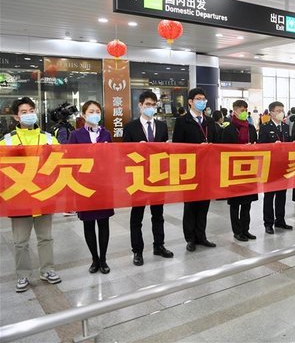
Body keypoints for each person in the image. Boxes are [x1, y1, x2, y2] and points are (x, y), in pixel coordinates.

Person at [1, 97, 61, 292]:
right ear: (17, 117)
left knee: (45, 238)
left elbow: (61, 163)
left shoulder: (49, 138)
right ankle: (23, 275)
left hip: (43, 196)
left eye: (31, 110)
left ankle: (48, 270)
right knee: (20, 241)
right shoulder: (6, 140)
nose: (28, 114)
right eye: (23, 112)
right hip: (19, 198)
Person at [123, 91, 174, 266]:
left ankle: (159, 245)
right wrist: (138, 149)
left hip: (157, 176)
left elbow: (165, 151)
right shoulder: (130, 127)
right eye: (147, 105)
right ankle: (137, 251)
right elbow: (124, 154)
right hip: (138, 178)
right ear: (140, 106)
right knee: (136, 216)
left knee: (158, 214)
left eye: (153, 105)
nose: (151, 108)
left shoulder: (161, 126)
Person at [67, 100, 114, 274]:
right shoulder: (76, 135)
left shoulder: (106, 134)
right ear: (84, 115)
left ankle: (104, 259)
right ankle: (94, 259)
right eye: (91, 111)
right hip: (84, 186)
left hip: (104, 185)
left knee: (104, 223)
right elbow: (70, 161)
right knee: (88, 224)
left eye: (98, 111)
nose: (96, 114)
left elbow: (111, 159)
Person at [173, 88, 219, 251]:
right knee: (191, 205)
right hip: (190, 169)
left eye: (204, 99)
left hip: (207, 169)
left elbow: (217, 143)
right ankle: (190, 238)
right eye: (198, 99)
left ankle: (202, 235)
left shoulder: (210, 121)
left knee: (204, 204)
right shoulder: (182, 121)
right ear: (190, 102)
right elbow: (177, 147)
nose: (202, 101)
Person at [221, 100, 259, 242]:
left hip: (249, 168)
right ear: (235, 111)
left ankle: (245, 229)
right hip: (234, 170)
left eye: (245, 109)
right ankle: (237, 231)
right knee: (235, 203)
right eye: (241, 110)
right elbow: (224, 150)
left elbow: (257, 144)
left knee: (247, 203)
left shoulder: (250, 128)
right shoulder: (228, 129)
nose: (244, 112)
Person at [259, 101, 292, 234]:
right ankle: (268, 223)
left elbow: (289, 142)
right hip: (270, 166)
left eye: (282, 110)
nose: (281, 113)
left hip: (283, 165)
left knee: (281, 195)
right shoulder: (265, 127)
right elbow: (261, 145)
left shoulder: (284, 126)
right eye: (278, 110)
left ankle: (280, 220)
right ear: (271, 112)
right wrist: (273, 145)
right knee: (269, 196)